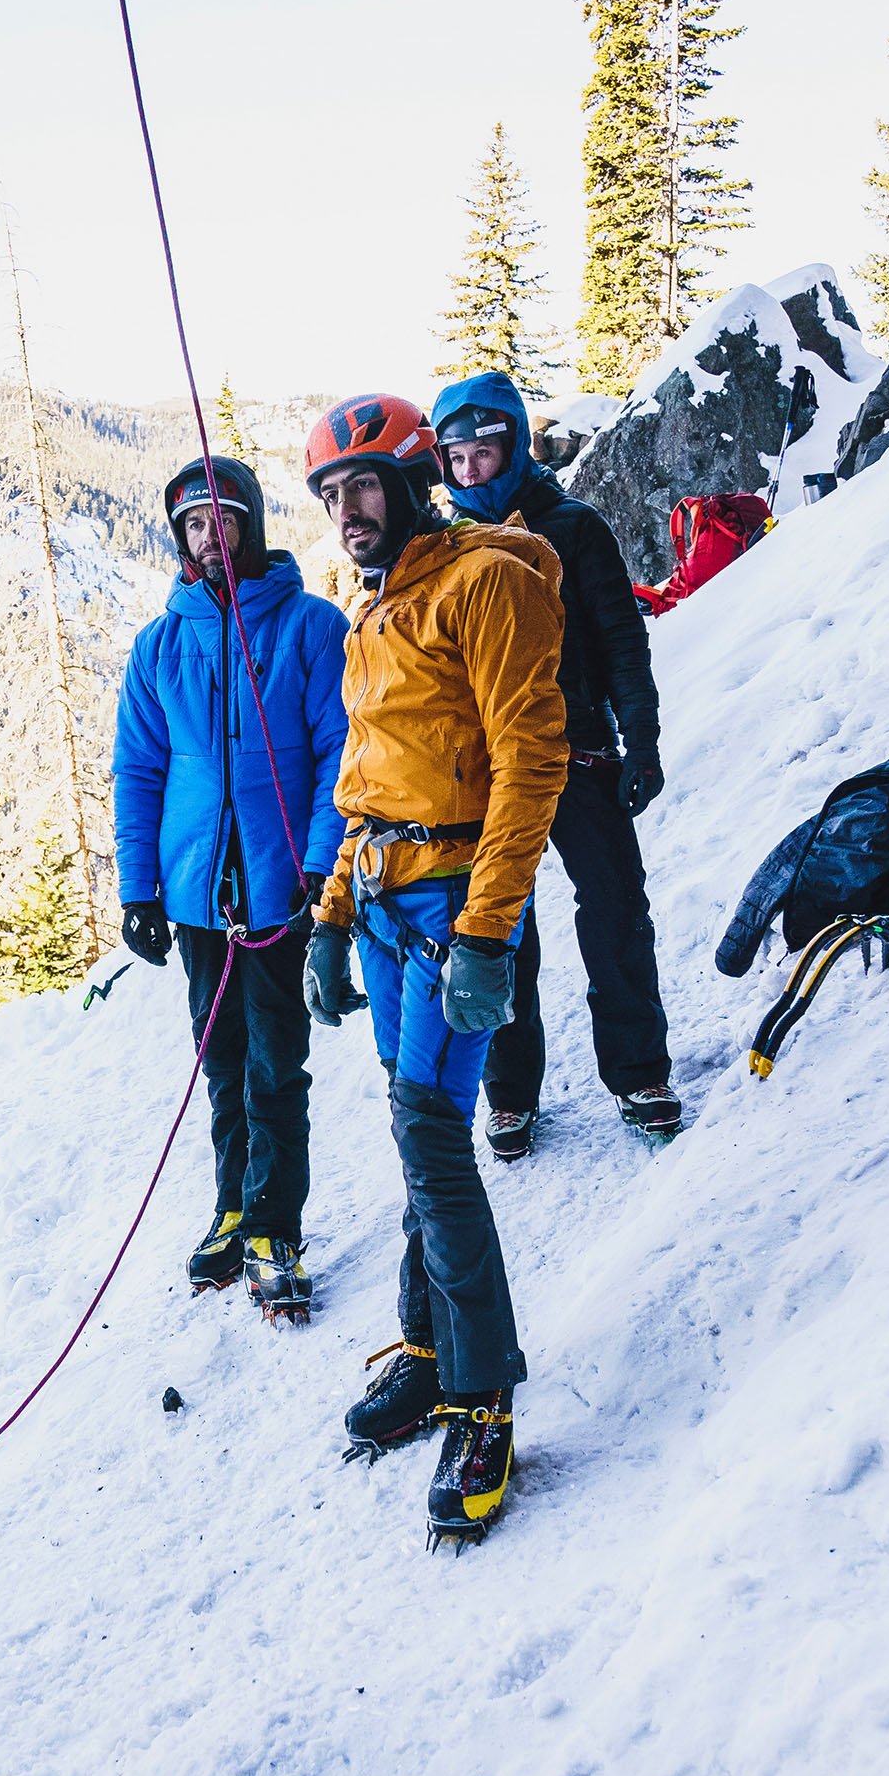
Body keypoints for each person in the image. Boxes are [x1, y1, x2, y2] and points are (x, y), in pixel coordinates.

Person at [298, 393, 567, 1547]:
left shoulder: (485, 584)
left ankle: (483, 1396)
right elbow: (370, 780)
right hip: (388, 909)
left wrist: (490, 933)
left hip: (456, 908)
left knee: (430, 1143)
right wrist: (330, 911)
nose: (344, 510)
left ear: (412, 482)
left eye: (362, 485)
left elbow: (529, 761)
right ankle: (426, 1350)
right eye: (328, 494)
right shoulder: (373, 609)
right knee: (418, 1134)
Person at [112, 454, 350, 1320]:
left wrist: (322, 860)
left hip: (280, 885)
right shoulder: (160, 645)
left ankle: (275, 1225)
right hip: (197, 897)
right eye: (194, 526)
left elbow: (338, 755)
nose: (211, 539)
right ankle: (233, 1208)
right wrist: (140, 888)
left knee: (274, 1060)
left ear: (250, 522)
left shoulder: (308, 628)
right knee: (222, 1060)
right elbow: (138, 772)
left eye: (224, 520)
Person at [430, 371, 682, 1155]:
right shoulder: (443, 548)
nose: (471, 470)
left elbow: (621, 642)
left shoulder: (573, 527)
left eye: (485, 451)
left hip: (582, 751)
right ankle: (509, 1090)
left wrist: (642, 737)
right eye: (457, 458)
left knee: (613, 911)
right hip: (488, 768)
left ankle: (639, 1070)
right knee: (501, 925)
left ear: (514, 443)